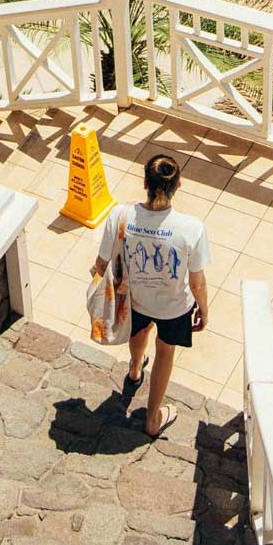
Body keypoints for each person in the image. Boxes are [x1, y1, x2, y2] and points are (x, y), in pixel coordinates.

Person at [92, 154, 211, 437]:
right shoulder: (191, 228)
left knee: (139, 331)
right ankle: (153, 417)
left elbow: (100, 264)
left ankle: (134, 370)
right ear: (179, 185)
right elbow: (197, 282)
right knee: (165, 352)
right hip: (174, 308)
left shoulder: (120, 216)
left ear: (145, 183)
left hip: (135, 300)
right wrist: (204, 309)